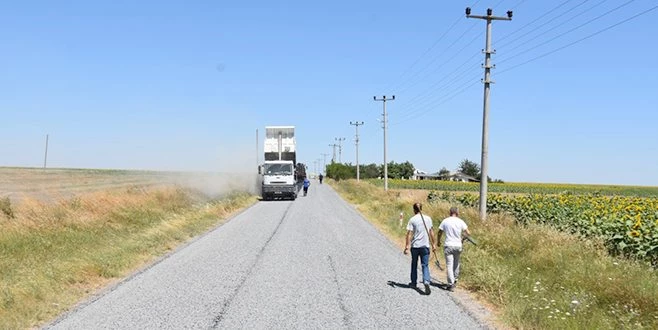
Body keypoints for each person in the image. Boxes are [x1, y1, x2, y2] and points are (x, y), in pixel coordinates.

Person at [437, 207, 471, 291]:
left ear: (450, 212)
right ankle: (455, 279)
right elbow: (468, 233)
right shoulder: (460, 221)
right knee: (456, 263)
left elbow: (440, 232)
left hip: (448, 245)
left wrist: (438, 241)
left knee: (449, 264)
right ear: (457, 213)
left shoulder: (445, 221)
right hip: (458, 245)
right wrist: (462, 239)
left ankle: (450, 283)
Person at [404, 202, 435, 294]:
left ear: (414, 210)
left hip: (415, 246)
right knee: (425, 265)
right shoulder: (428, 219)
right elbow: (431, 232)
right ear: (421, 209)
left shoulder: (412, 220)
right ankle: (426, 280)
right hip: (425, 245)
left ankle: (413, 283)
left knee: (414, 264)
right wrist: (433, 244)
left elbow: (409, 234)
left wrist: (407, 246)